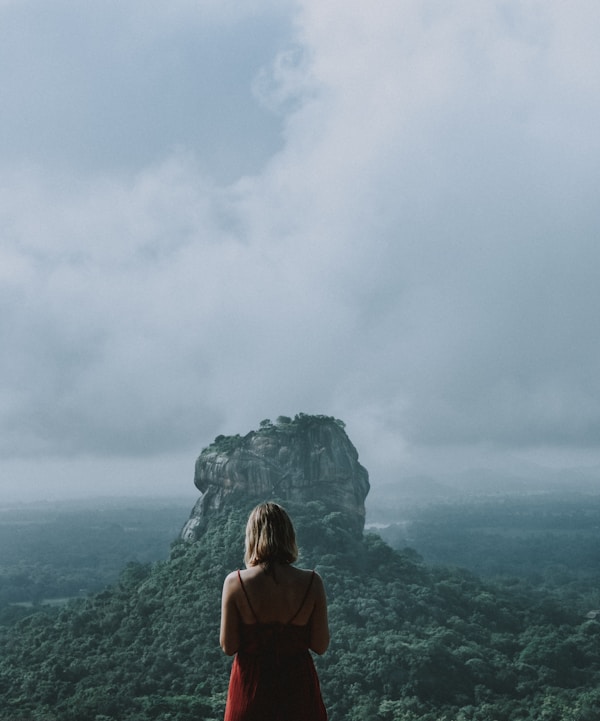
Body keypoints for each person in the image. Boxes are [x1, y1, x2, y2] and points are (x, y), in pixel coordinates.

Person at [220, 502, 329, 721]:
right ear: (289, 536)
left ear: (252, 537)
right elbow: (320, 645)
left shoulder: (235, 582)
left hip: (251, 689)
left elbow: (229, 646)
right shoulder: (312, 582)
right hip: (297, 690)